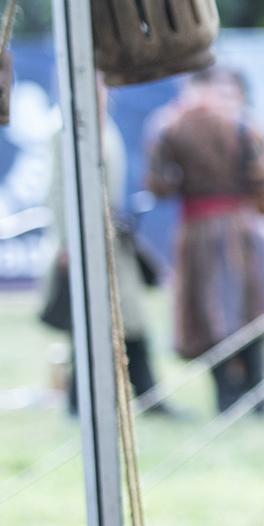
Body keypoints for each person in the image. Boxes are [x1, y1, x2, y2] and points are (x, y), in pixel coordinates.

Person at [144, 67, 264, 414]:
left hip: (196, 232)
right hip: (241, 227)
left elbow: (158, 184)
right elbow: (261, 178)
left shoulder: (168, 125)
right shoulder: (243, 125)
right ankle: (257, 397)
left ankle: (226, 398)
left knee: (210, 316)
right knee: (249, 312)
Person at [42, 84, 165, 414]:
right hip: (84, 238)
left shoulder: (102, 122)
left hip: (110, 236)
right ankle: (79, 401)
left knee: (131, 317)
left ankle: (148, 393)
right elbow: (56, 189)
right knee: (88, 320)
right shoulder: (63, 128)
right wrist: (67, 241)